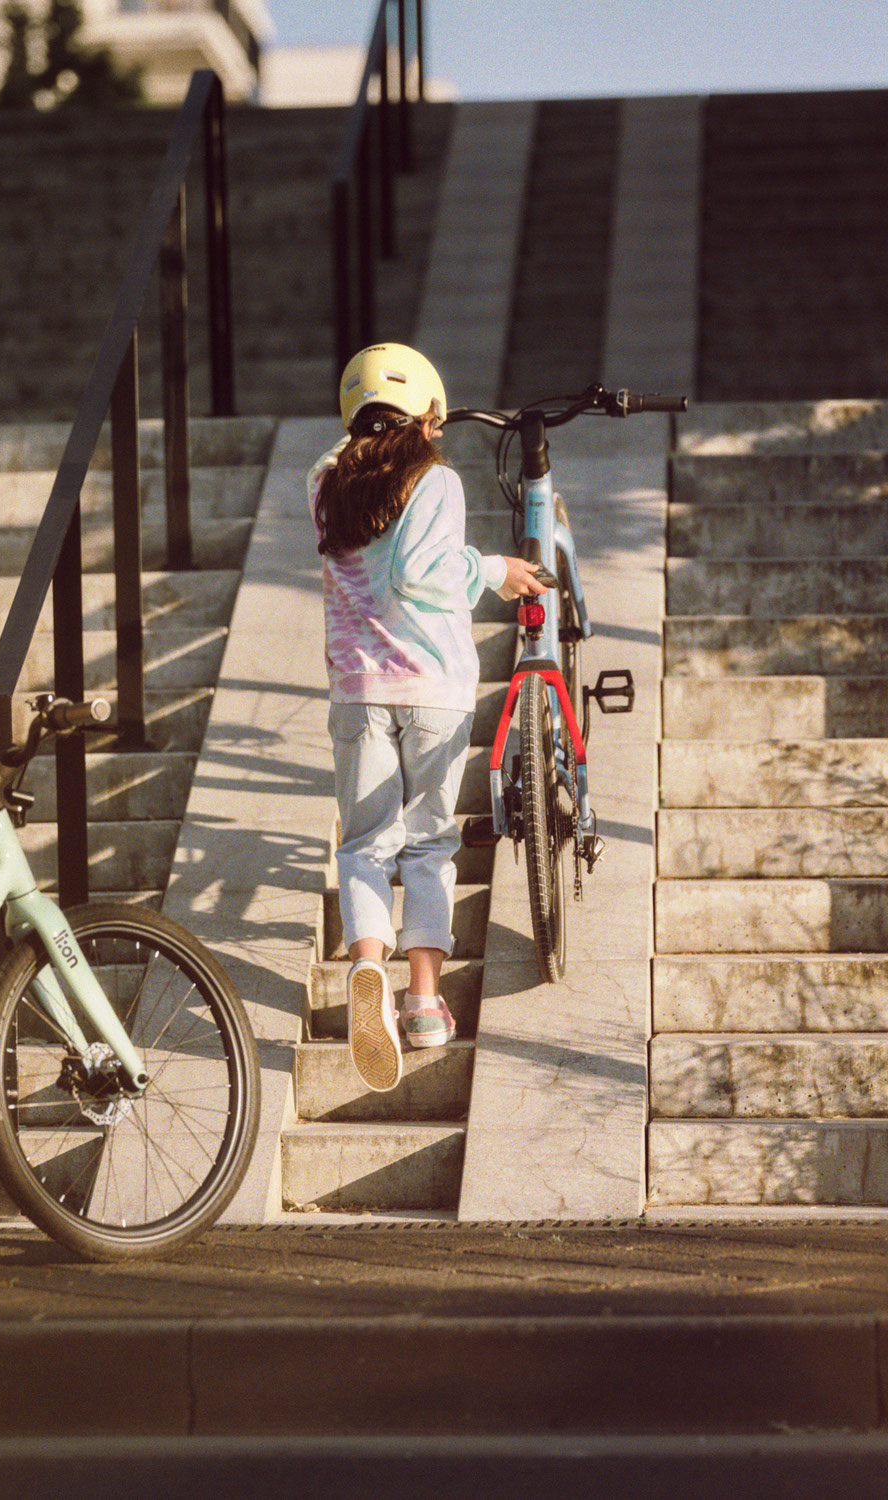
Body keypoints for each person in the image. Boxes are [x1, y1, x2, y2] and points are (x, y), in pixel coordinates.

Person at [313, 343, 548, 1093]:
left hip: (357, 691)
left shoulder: (324, 482)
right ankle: (421, 1002)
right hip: (432, 690)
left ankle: (367, 969)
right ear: (427, 415)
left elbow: (351, 476)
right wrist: (493, 570)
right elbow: (422, 572)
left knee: (364, 847)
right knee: (429, 844)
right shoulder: (436, 480)